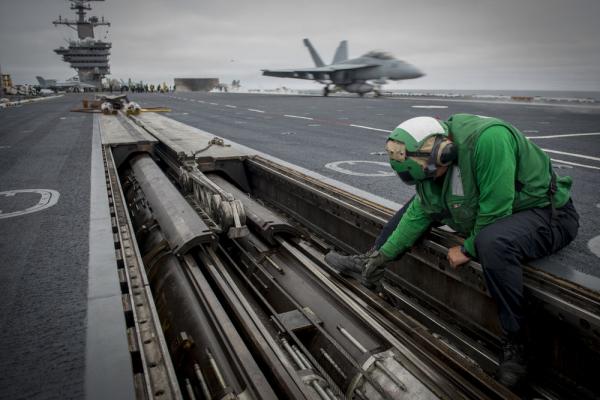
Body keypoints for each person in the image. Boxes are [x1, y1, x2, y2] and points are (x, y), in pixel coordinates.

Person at [325, 114, 579, 389]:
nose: (429, 181)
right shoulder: (429, 160)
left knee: (491, 243)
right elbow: (420, 212)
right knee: (415, 206)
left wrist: (467, 249)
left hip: (545, 213)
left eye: (430, 173)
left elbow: (497, 209)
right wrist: (383, 257)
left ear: (445, 153)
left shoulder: (489, 139)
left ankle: (518, 341)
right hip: (490, 209)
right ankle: (367, 261)